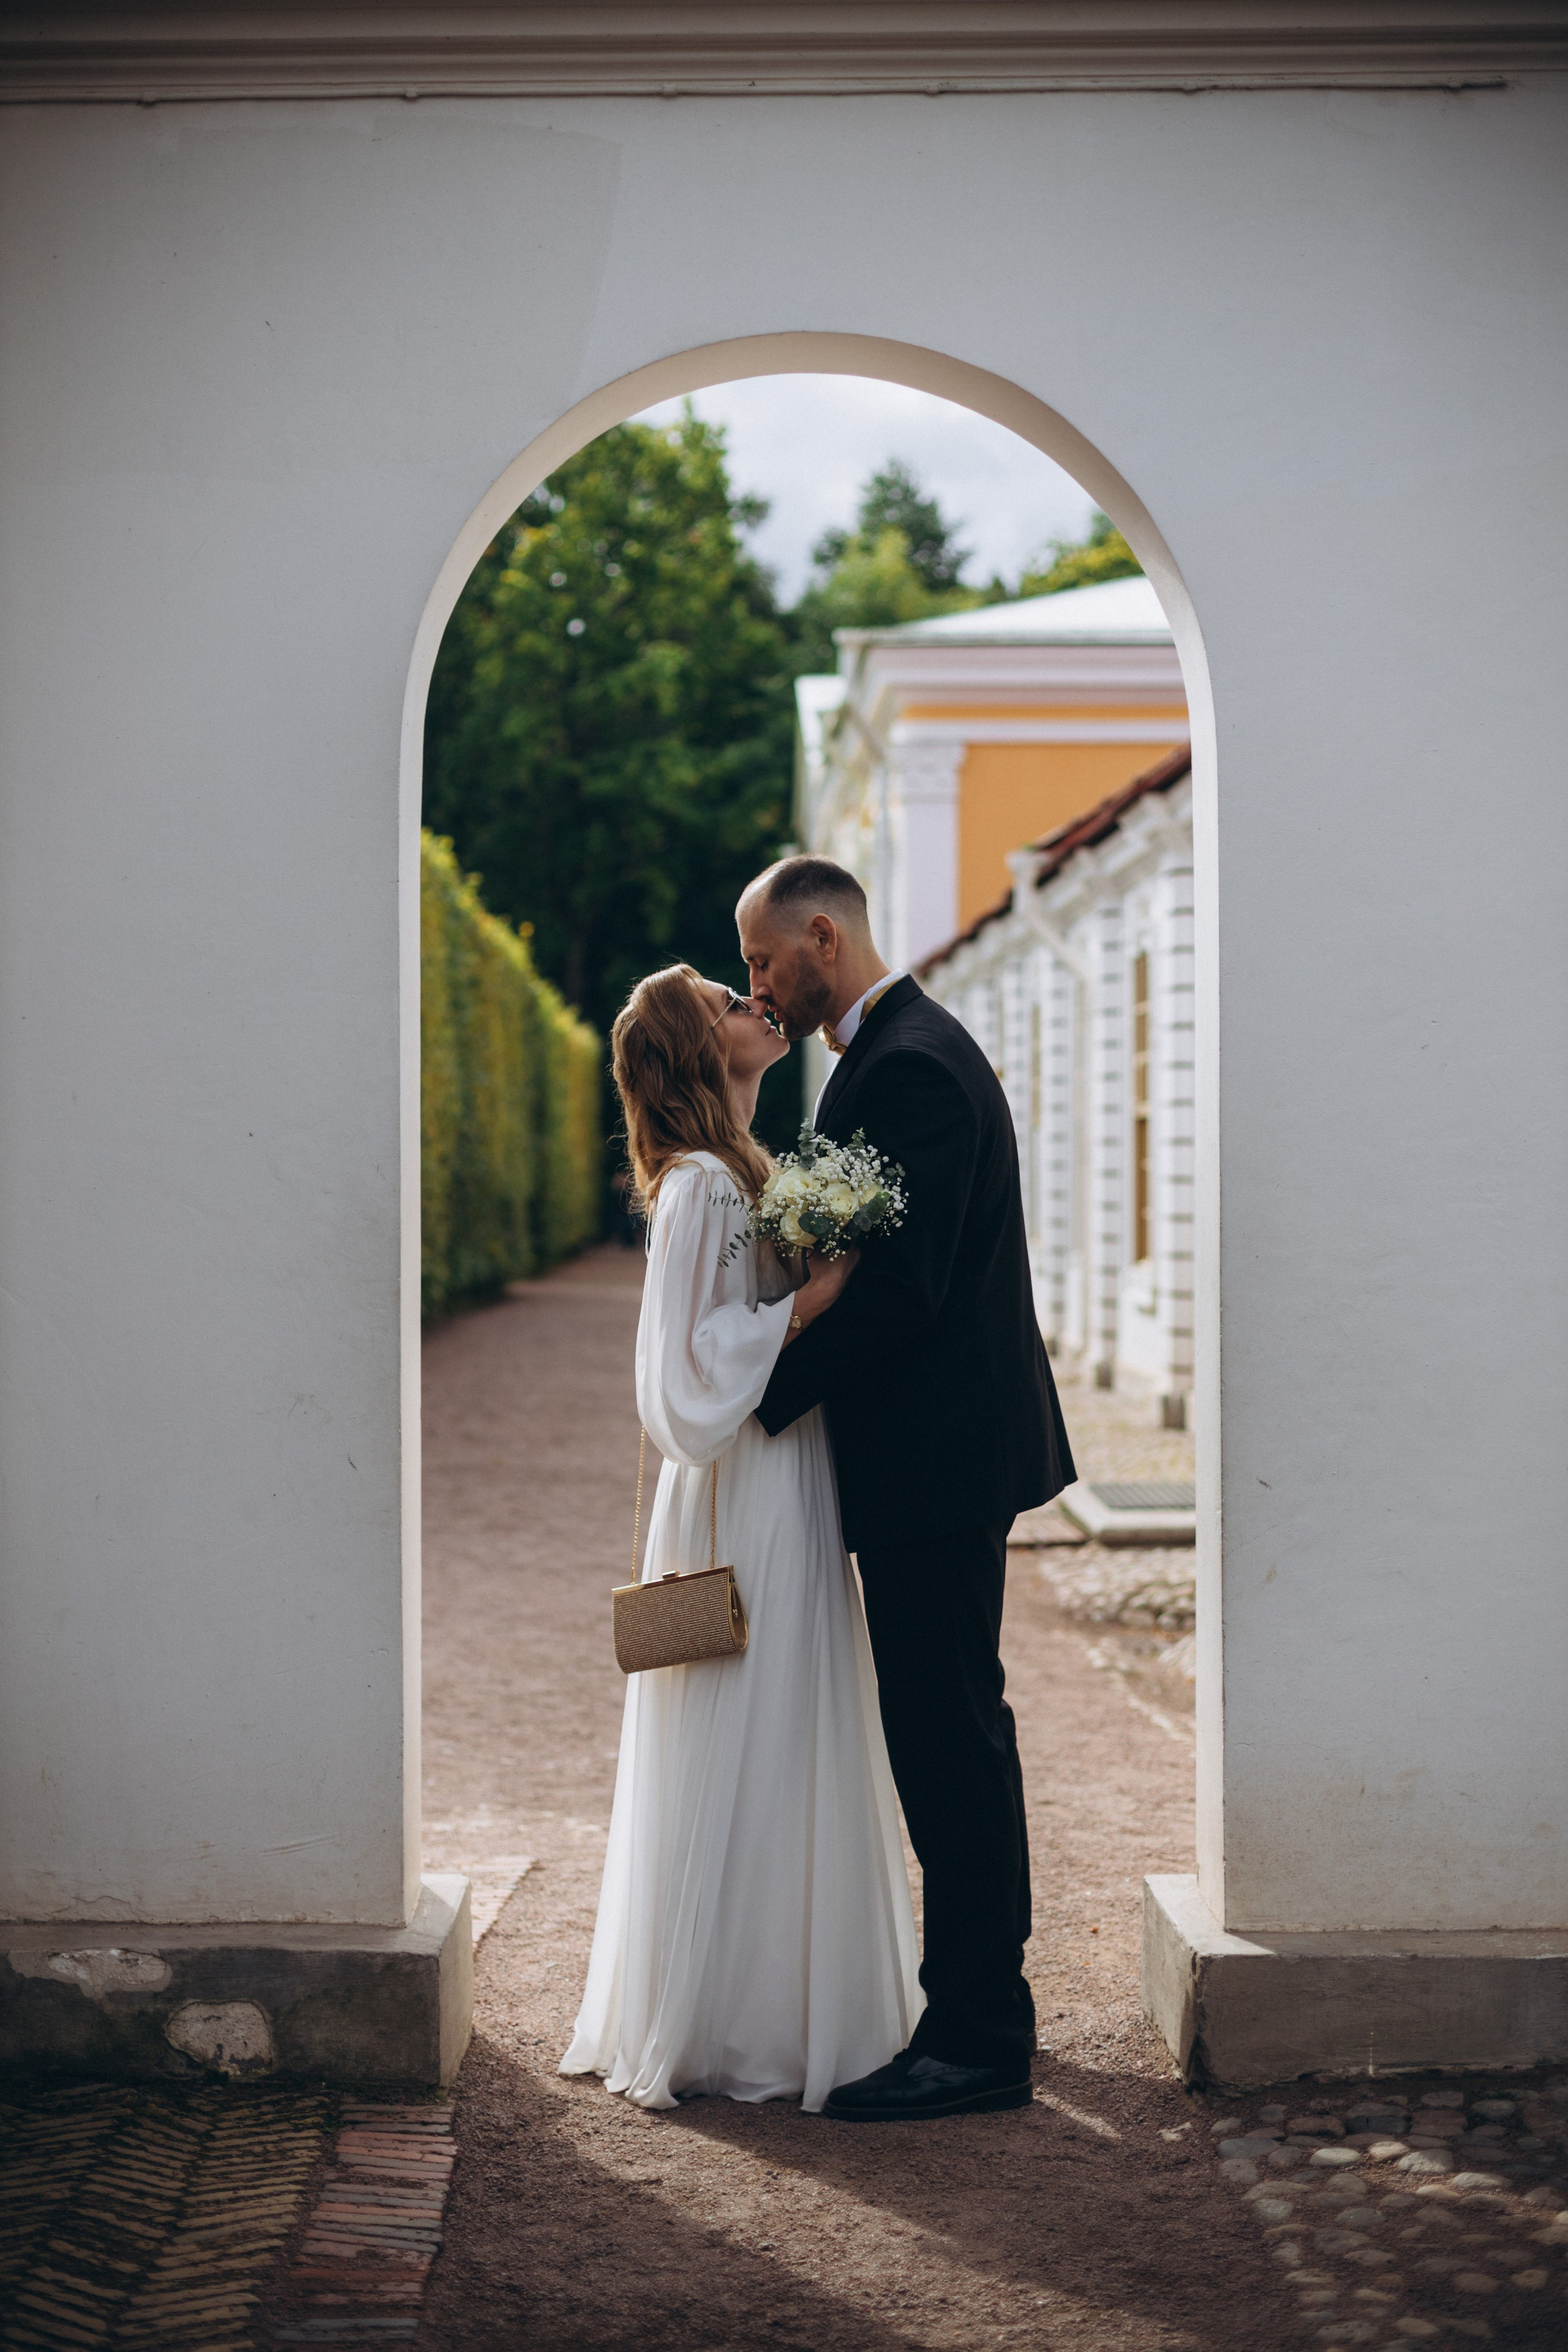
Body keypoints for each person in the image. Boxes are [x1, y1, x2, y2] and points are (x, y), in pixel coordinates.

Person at [737, 856, 1077, 2123]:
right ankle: (978, 2008)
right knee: (944, 1727)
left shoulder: (912, 1065)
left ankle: (980, 2034)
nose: (755, 987)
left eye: (765, 962)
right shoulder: (886, 1054)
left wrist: (754, 1397)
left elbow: (903, 1286)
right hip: (931, 1455)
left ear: (821, 936)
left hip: (937, 1459)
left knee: (947, 1735)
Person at [560, 962, 922, 2111]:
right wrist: (820, 1294)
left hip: (777, 1464)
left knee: (776, 1722)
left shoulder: (741, 1173)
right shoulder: (707, 1188)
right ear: (694, 1049)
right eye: (724, 998)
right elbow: (685, 1370)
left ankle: (756, 2004)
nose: (750, 1001)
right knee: (759, 1717)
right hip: (745, 1479)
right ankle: (749, 2023)